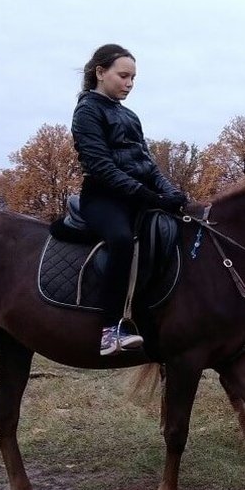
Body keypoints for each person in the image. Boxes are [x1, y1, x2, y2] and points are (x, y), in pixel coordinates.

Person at [70, 43, 196, 355]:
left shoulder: (129, 115)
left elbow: (147, 165)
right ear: (100, 72)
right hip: (104, 198)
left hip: (137, 196)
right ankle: (110, 330)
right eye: (123, 76)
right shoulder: (87, 111)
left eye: (133, 78)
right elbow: (101, 167)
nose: (129, 84)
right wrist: (148, 195)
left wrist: (170, 192)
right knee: (122, 240)